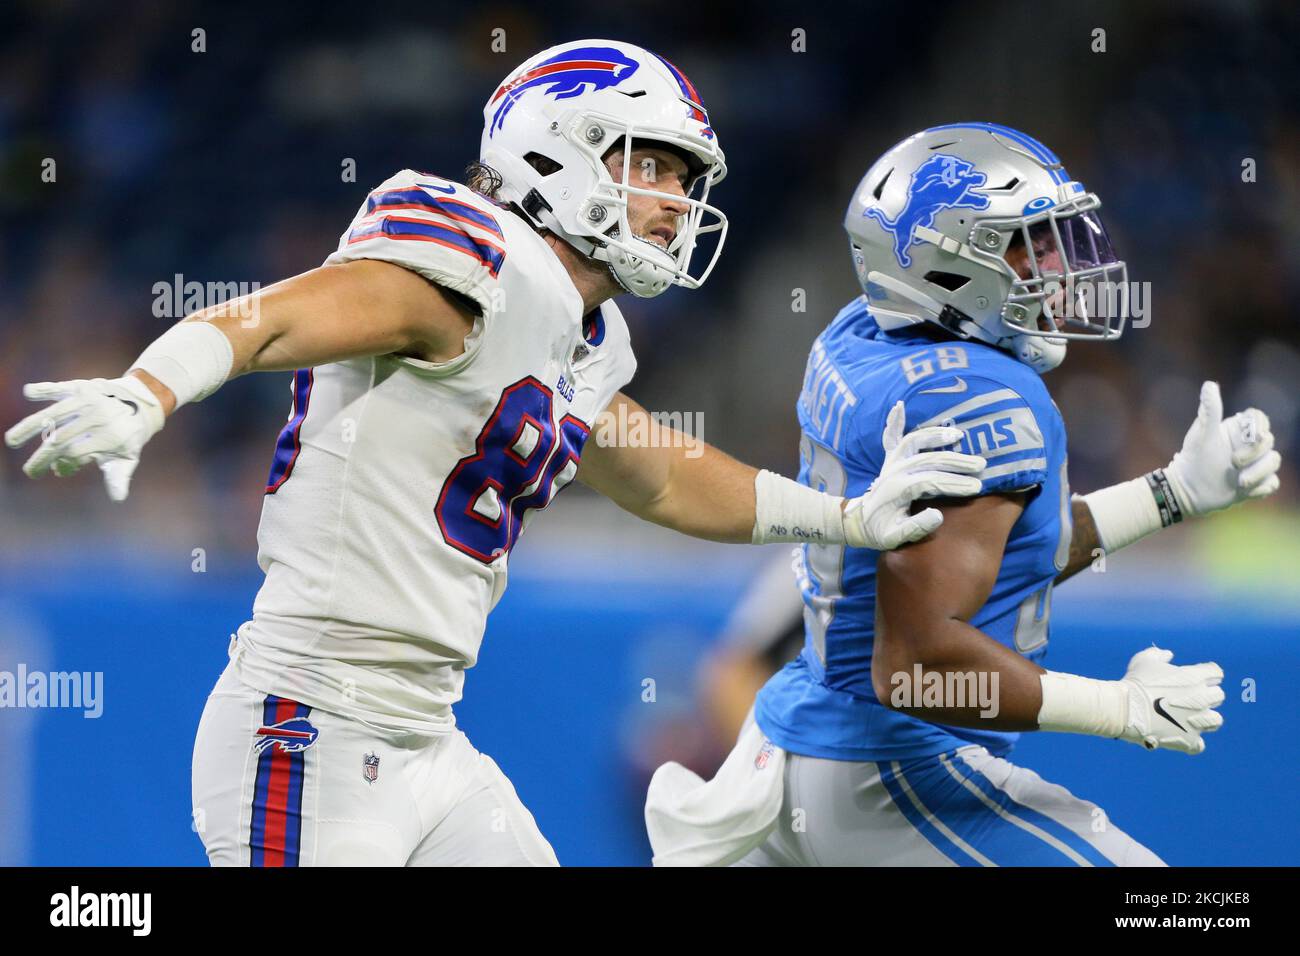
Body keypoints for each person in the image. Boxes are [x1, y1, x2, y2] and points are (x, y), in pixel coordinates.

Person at [4, 44, 986, 867]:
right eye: (654, 164)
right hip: (309, 724)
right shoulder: (469, 252)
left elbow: (658, 470)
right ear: (558, 151)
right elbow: (278, 317)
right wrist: (151, 385)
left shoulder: (584, 333)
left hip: (427, 739)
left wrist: (847, 515)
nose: (675, 201)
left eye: (687, 180)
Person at [645, 122, 1282, 867]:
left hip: (796, 744)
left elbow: (992, 554)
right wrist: (1118, 709)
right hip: (888, 773)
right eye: (1027, 243)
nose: (1056, 266)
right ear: (948, 263)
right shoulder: (982, 395)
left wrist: (1168, 494)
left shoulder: (864, 334)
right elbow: (915, 667)